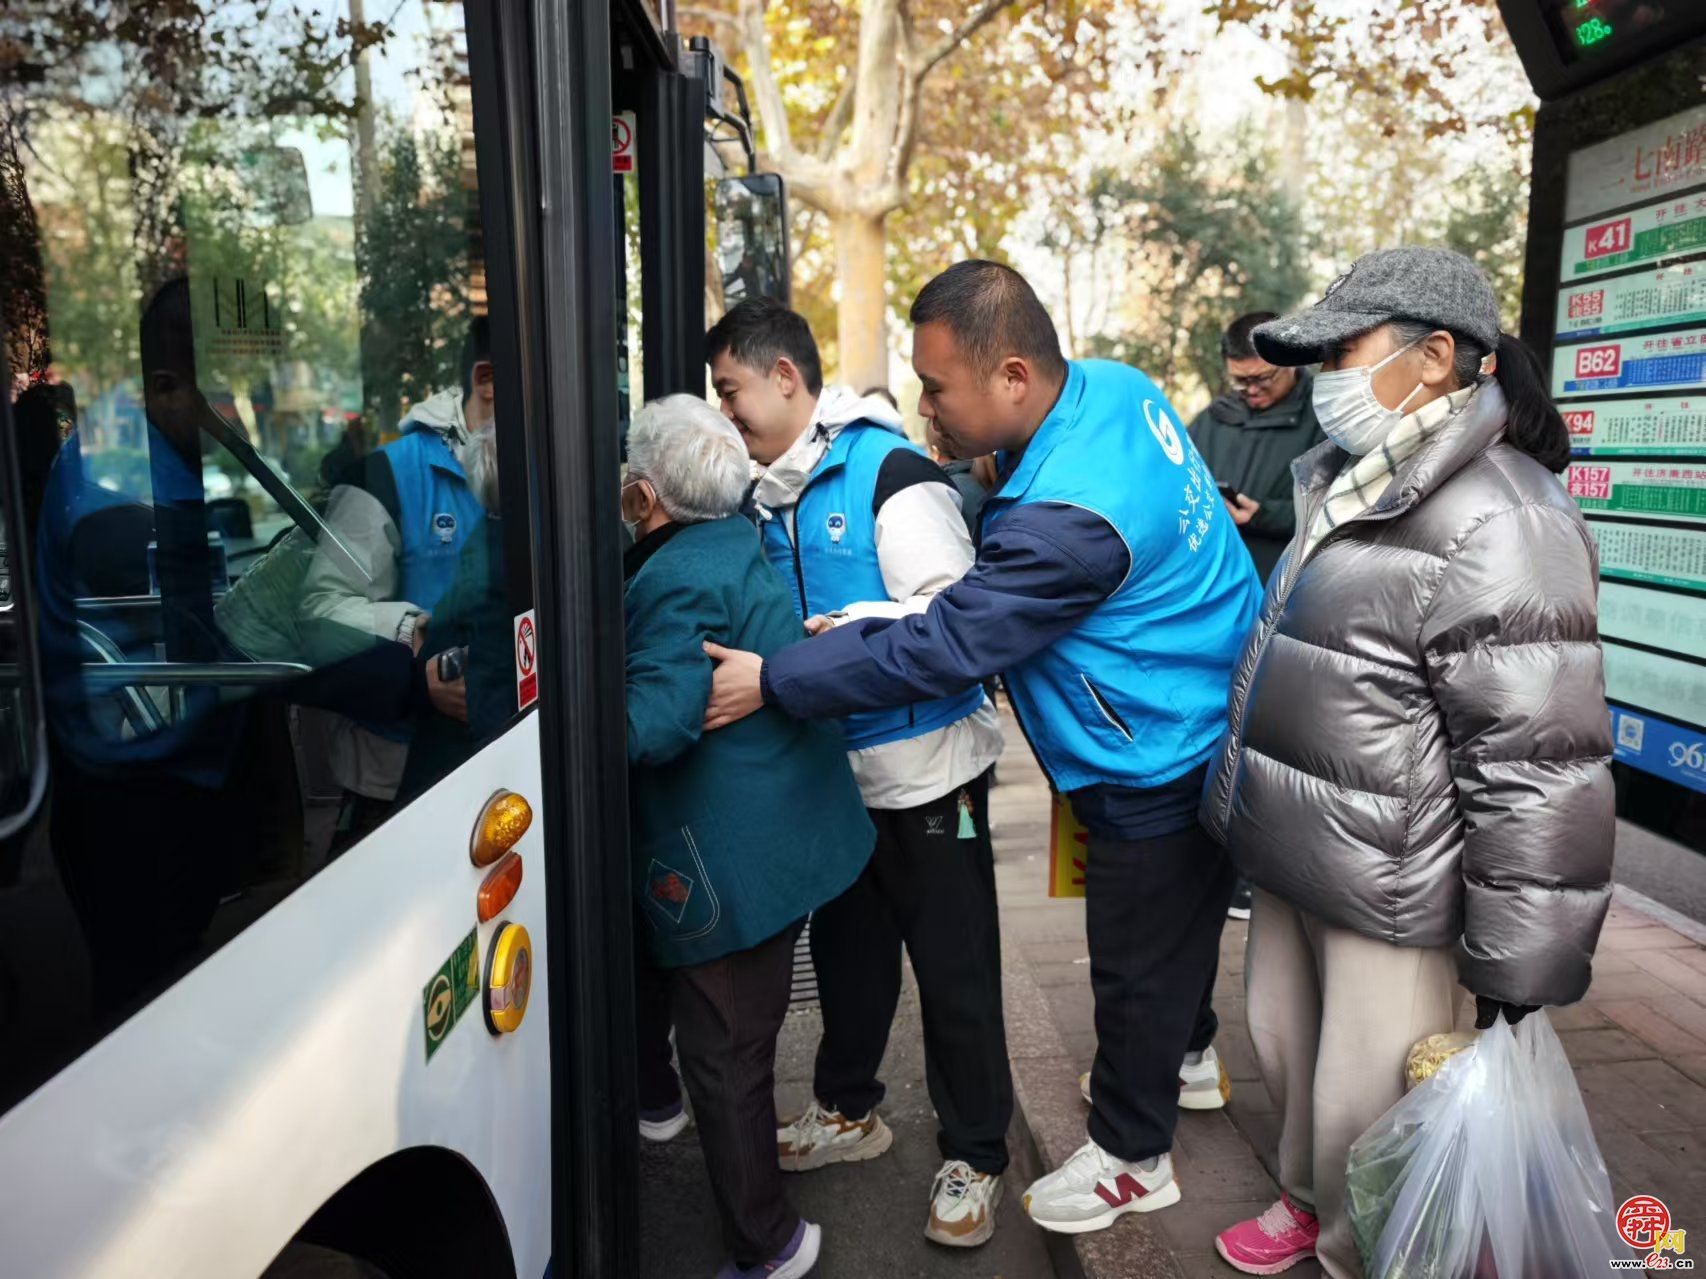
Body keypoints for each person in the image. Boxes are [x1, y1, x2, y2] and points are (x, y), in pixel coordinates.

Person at [701, 261, 1263, 1236]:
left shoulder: (1063, 522)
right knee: (1165, 945)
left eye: (937, 388)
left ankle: (1133, 1156)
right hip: (1184, 704)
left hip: (1152, 750)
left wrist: (774, 678)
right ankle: (1183, 1054)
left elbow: (951, 639)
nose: (923, 407)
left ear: (1011, 375)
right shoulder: (1113, 388)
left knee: (1127, 959)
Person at [1198, 248, 1614, 1278]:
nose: (1323, 376)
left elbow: (1536, 760)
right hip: (1301, 847)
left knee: (1368, 1084)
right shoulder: (1347, 478)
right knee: (1291, 1052)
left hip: (1396, 873)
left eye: (1341, 349)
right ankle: (1306, 1201)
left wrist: (1519, 966)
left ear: (1432, 357)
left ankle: (1362, 1245)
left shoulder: (1503, 516)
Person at [706, 299, 1013, 1248]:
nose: (726, 416)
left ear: (787, 380)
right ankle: (849, 1108)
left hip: (930, 776)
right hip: (832, 778)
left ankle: (978, 1152)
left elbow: (952, 620)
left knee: (955, 968)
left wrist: (846, 634)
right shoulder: (760, 492)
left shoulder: (890, 472)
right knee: (848, 957)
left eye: (732, 393)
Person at [621, 394, 873, 1279]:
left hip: (731, 855)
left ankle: (771, 1244)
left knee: (725, 1056)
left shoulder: (672, 575)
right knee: (741, 1041)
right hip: (787, 824)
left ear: (643, 497)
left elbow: (651, 725)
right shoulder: (729, 536)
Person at [307, 317, 499, 846]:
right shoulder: (389, 475)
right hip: (395, 775)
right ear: (487, 381)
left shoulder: (540, 466)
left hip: (499, 754)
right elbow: (320, 609)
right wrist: (415, 632)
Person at [1186, 311, 1326, 922]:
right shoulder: (1208, 422)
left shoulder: (1328, 418)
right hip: (1216, 605)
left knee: (1276, 740)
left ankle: (1265, 864)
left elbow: (1349, 509)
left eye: (1262, 379)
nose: (1251, 390)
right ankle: (1220, 858)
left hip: (1292, 601)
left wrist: (1263, 514)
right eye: (1240, 380)